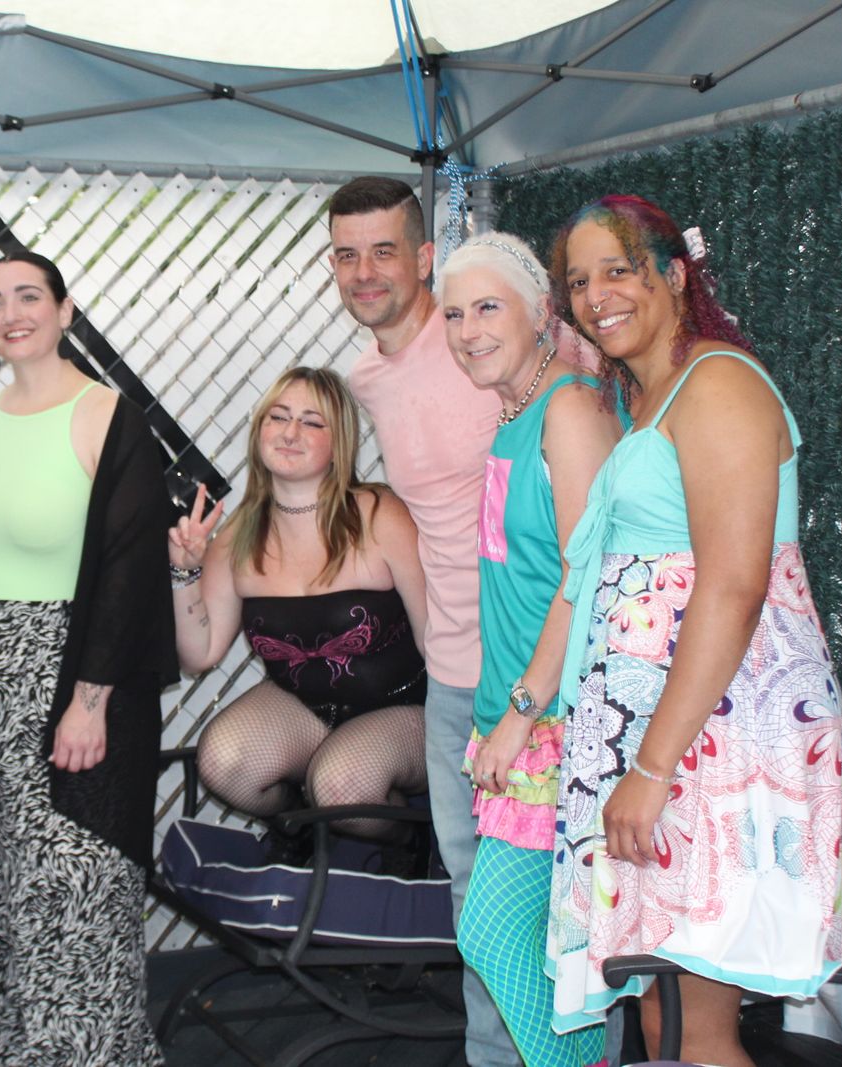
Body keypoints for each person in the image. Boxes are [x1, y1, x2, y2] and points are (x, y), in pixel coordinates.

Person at [546, 194, 842, 1066]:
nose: (595, 296)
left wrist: (650, 769)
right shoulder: (651, 397)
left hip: (718, 736)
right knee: (665, 1021)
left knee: (694, 1031)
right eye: (578, 281)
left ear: (675, 274)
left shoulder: (718, 383)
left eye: (617, 270)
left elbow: (735, 586)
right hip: (675, 733)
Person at [0, 250, 175, 1065]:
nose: (11, 312)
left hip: (63, 686)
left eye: (29, 296)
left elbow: (130, 569)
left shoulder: (106, 415)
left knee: (70, 891)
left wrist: (90, 700)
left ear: (65, 310)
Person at [329, 174, 544, 1067]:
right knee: (474, 900)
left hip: (535, 674)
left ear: (423, 257)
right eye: (347, 254)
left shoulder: (480, 346)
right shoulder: (365, 379)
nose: (365, 272)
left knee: (543, 900)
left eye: (384, 251)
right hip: (455, 676)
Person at [438, 234, 619, 1066]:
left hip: (557, 725)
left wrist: (521, 711)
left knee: (495, 935)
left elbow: (587, 576)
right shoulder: (512, 415)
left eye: (487, 307)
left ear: (543, 312)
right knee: (551, 964)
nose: (467, 330)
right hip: (515, 719)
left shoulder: (570, 409)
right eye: (453, 315)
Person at [167, 366, 429, 846]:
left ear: (339, 442)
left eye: (311, 422)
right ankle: (301, 829)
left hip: (407, 709)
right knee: (223, 762)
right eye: (278, 417)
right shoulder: (236, 538)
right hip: (306, 711)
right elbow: (198, 655)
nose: (290, 433)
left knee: (341, 784)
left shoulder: (378, 514)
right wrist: (183, 572)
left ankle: (407, 845)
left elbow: (437, 635)